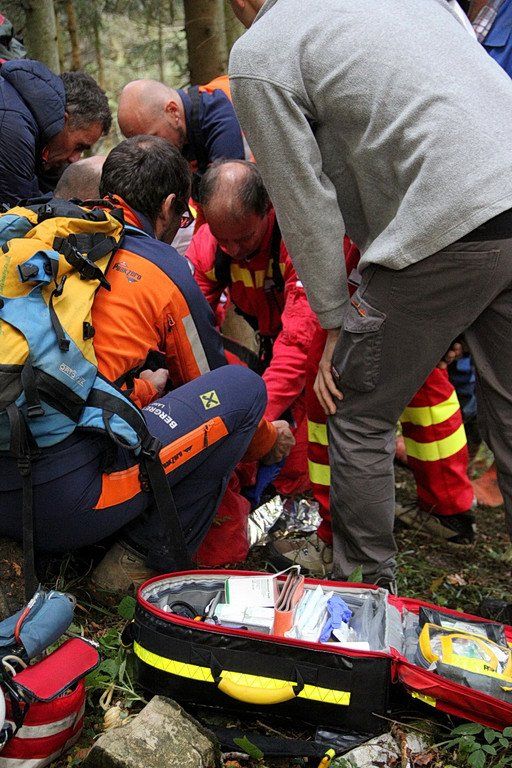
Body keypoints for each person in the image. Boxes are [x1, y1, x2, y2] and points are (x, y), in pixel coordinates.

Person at [228, 0, 512, 588]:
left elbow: (302, 202)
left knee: (353, 410)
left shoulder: (263, 51)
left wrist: (336, 319)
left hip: (443, 216)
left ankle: (363, 595)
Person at [0, 135, 267, 597]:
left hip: (11, 456)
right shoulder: (162, 268)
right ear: (167, 207)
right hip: (62, 506)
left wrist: (141, 390)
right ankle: (139, 558)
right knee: (244, 389)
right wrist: (268, 442)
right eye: (182, 218)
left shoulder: (39, 233)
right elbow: (210, 387)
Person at [187, 159, 318, 497]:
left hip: (306, 340)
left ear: (268, 209)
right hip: (255, 331)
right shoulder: (208, 245)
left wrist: (255, 419)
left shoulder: (299, 240)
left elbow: (300, 344)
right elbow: (190, 328)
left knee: (300, 451)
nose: (233, 250)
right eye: (223, 239)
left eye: (244, 238)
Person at [0, 60, 111, 207]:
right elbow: (19, 213)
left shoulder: (37, 129)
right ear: (64, 119)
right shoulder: (13, 128)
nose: (75, 159)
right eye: (79, 146)